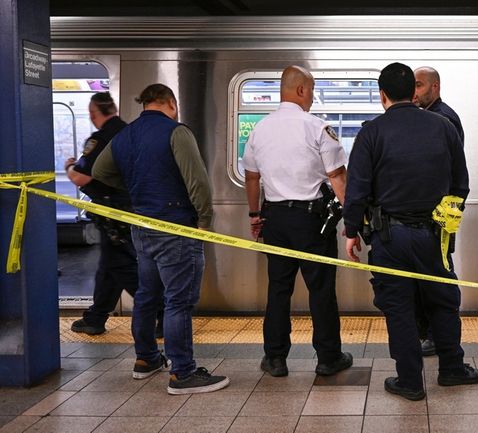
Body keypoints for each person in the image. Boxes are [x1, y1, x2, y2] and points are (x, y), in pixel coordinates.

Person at [343, 62, 478, 401]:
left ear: (382, 95)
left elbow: (357, 189)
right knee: (442, 300)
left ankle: (409, 380)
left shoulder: (371, 133)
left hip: (389, 237)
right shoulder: (444, 127)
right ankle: (451, 368)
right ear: (413, 91)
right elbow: (461, 184)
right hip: (435, 235)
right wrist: (446, 219)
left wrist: (352, 231)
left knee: (399, 306)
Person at [93, 84, 229, 394]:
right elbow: (198, 182)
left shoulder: (124, 135)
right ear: (170, 102)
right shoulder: (176, 132)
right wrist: (204, 222)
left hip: (141, 226)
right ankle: (183, 373)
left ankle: (146, 359)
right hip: (176, 228)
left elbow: (100, 170)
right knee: (178, 301)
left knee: (146, 295)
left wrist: (135, 188)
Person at [242, 65, 352, 378]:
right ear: (302, 90)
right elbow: (338, 178)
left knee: (278, 289)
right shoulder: (316, 127)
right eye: (312, 90)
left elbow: (252, 177)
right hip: (312, 221)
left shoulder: (260, 129)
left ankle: (275, 358)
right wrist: (354, 222)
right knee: (321, 289)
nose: (313, 98)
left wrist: (255, 215)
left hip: (275, 219)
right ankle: (328, 358)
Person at [63, 92, 136, 335]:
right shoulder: (129, 132)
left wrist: (69, 167)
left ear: (94, 113)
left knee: (122, 265)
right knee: (110, 264)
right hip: (132, 208)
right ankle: (96, 317)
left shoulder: (101, 138)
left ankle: (161, 312)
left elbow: (81, 176)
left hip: (112, 211)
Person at [411, 66, 465, 357]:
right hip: (432, 215)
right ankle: (427, 333)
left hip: (438, 215)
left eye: (419, 85)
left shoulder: (442, 119)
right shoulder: (427, 116)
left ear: (435, 87)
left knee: (438, 277)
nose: (415, 92)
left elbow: (442, 170)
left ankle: (438, 337)